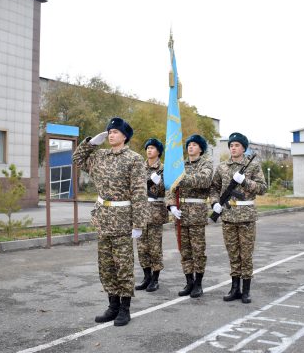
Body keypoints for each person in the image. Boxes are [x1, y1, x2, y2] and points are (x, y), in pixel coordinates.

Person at [72, 117, 148, 326]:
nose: (111, 135)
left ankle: (125, 308)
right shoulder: (100, 156)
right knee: (106, 266)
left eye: (115, 132)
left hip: (123, 219)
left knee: (123, 265)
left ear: (125, 136)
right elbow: (77, 159)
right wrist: (90, 143)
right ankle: (112, 306)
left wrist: (139, 223)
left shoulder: (134, 159)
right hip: (103, 219)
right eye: (110, 132)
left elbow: (139, 193)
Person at [209, 132, 266, 304]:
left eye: (237, 145)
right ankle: (235, 288)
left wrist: (245, 181)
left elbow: (263, 188)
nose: (233, 148)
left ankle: (246, 291)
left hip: (246, 217)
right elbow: (214, 188)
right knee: (233, 254)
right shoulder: (222, 167)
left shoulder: (253, 166)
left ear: (243, 148)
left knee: (246, 255)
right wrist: (214, 203)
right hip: (228, 216)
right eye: (231, 145)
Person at [166, 134, 213, 298]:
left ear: (201, 148)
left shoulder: (205, 164)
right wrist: (171, 205)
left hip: (196, 214)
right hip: (180, 213)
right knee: (184, 250)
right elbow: (170, 187)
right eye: (189, 144)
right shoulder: (179, 165)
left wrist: (181, 178)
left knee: (198, 250)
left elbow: (204, 180)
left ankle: (198, 283)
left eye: (194, 145)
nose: (190, 147)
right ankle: (189, 282)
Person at [135, 138, 167, 292]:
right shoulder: (139, 167)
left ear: (158, 151)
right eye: (148, 147)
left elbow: (169, 189)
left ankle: (155, 279)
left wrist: (159, 183)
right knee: (142, 247)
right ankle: (146, 277)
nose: (149, 150)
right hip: (140, 212)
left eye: (153, 148)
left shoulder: (164, 169)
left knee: (154, 247)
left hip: (155, 212)